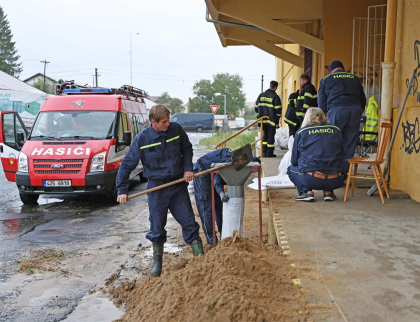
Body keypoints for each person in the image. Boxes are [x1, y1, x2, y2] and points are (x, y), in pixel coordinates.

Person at [116, 104, 203, 277]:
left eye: (168, 120)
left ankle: (200, 257)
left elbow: (187, 148)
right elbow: (127, 165)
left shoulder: (176, 130)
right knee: (157, 226)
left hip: (177, 186)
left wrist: (188, 168)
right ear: (153, 122)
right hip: (157, 189)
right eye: (164, 122)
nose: (167, 124)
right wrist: (122, 190)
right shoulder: (142, 140)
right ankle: (157, 265)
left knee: (188, 221)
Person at [287, 107, 345, 202]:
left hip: (312, 179)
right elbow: (342, 154)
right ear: (323, 116)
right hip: (337, 179)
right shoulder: (336, 129)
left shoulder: (302, 132)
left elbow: (294, 161)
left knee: (291, 169)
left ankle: (306, 192)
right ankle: (328, 192)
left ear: (307, 117)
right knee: (332, 164)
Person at [318, 60, 366, 171]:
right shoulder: (354, 78)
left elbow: (321, 101)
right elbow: (363, 98)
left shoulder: (326, 79)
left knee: (332, 140)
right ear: (342, 68)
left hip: (337, 109)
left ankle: (332, 172)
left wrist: (324, 117)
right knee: (349, 142)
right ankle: (343, 173)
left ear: (331, 71)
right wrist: (359, 111)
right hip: (355, 110)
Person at [193, 148, 232, 246]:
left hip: (213, 172)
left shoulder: (241, 159)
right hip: (203, 172)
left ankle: (224, 236)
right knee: (206, 206)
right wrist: (221, 193)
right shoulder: (229, 162)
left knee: (219, 206)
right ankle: (211, 240)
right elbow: (217, 179)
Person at [255, 80, 282, 157]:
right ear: (276, 87)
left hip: (263, 120)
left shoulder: (261, 95)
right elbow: (278, 111)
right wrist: (276, 120)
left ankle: (263, 152)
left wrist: (260, 114)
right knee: (270, 138)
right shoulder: (275, 97)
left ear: (270, 86)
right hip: (271, 121)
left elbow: (256, 108)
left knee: (264, 137)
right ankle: (269, 153)